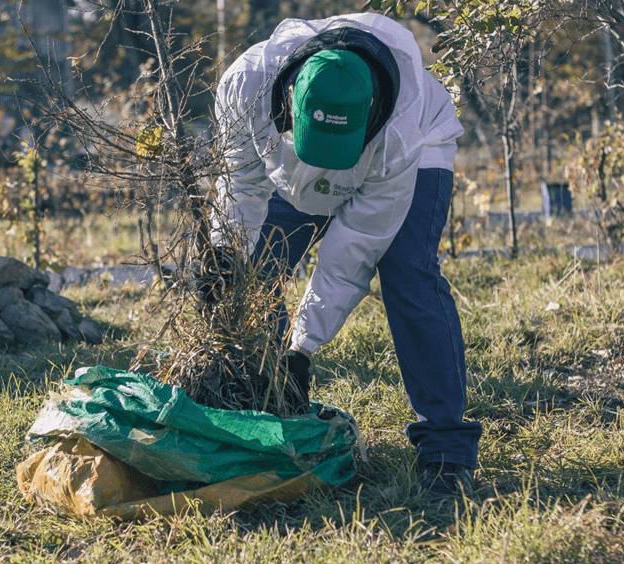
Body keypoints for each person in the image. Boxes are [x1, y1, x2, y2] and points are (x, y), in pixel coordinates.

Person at [201, 12, 482, 498]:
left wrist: (303, 347)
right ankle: (262, 413)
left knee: (407, 272)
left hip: (416, 153)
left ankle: (445, 450)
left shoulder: (399, 132)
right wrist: (226, 256)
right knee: (256, 273)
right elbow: (241, 187)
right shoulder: (245, 86)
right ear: (290, 101)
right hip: (287, 168)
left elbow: (352, 251)